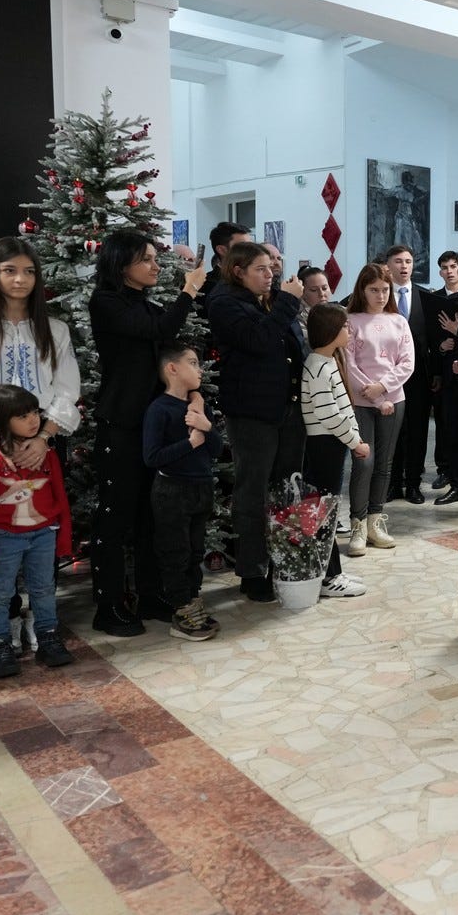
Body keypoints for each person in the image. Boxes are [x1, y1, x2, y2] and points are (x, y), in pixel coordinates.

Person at [89, 233, 208, 635]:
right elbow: (158, 328)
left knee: (150, 516)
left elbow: (170, 358)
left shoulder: (148, 305)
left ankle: (152, 595)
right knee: (115, 517)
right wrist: (189, 291)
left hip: (154, 424)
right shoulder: (106, 303)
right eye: (147, 260)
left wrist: (195, 395)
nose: (156, 266)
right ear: (122, 264)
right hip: (121, 423)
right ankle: (108, 606)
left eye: (156, 258)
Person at [0, 237, 82, 648]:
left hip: (43, 436)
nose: (20, 279)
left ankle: (42, 622)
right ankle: (3, 621)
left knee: (42, 524)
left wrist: (43, 436)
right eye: (9, 270)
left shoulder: (54, 330)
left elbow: (68, 389)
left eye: (28, 271)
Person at [206, 241, 306, 602]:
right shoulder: (224, 302)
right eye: (261, 269)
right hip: (251, 412)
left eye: (272, 267)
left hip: (287, 408)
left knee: (287, 487)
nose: (271, 274)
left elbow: (291, 345)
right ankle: (252, 570)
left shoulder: (269, 298)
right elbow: (260, 340)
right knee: (253, 491)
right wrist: (288, 302)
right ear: (238, 271)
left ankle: (285, 561)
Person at [0, 385, 75, 677]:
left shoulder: (45, 453)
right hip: (2, 536)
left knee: (44, 588)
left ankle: (48, 636)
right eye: (23, 416)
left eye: (35, 412)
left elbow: (59, 496)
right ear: (2, 420)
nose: (33, 420)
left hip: (42, 533)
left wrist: (60, 532)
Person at [142, 344, 224, 641]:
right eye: (192, 362)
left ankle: (193, 602)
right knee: (176, 552)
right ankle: (181, 610)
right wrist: (190, 443)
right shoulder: (159, 409)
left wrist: (206, 427)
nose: (199, 369)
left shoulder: (200, 407)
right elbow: (152, 457)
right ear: (172, 368)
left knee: (195, 551)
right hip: (172, 490)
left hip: (201, 488)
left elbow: (216, 450)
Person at [344, 263, 414, 555]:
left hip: (393, 399)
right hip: (362, 401)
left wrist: (383, 387)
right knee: (364, 462)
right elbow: (348, 364)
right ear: (362, 290)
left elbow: (407, 362)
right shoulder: (351, 321)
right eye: (374, 290)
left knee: (384, 464)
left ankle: (375, 521)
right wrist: (373, 394)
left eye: (385, 290)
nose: (381, 295)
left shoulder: (398, 321)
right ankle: (357, 525)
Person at [301, 302, 371, 596]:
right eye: (343, 326)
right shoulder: (318, 365)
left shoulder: (327, 361)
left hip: (333, 444)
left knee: (326, 511)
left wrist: (352, 438)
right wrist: (355, 442)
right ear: (329, 330)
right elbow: (328, 414)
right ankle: (327, 578)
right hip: (324, 446)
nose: (348, 330)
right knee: (322, 511)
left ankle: (333, 571)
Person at [382, 246, 433, 504]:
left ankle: (413, 483)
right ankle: (393, 483)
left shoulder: (426, 297)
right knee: (392, 430)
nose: (404, 266)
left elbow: (433, 339)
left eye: (408, 261)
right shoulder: (381, 296)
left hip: (419, 376)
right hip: (387, 376)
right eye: (398, 261)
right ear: (388, 265)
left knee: (417, 430)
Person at [430, 250, 458, 492]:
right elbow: (429, 335)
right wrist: (441, 347)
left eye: (454, 266)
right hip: (444, 367)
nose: (450, 271)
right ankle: (444, 469)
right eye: (445, 267)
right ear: (440, 272)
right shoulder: (434, 299)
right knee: (443, 421)